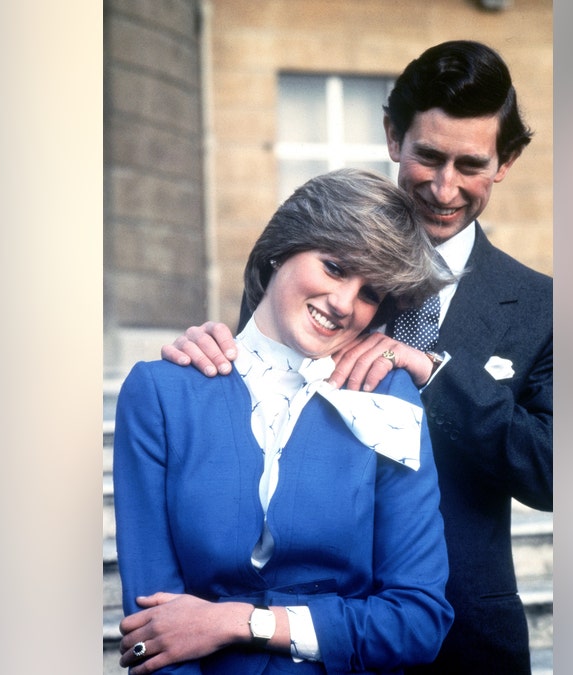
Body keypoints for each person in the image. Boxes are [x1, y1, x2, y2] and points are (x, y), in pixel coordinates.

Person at [161, 41, 552, 673]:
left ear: (505, 163)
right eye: (427, 155)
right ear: (394, 137)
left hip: (469, 641)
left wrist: (434, 373)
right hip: (312, 638)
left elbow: (554, 471)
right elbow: (256, 407)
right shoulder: (315, 265)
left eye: (470, 164)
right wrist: (208, 355)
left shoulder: (543, 307)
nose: (444, 187)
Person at [114, 168, 455, 675]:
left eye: (370, 293)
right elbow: (151, 629)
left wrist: (238, 622)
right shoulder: (161, 393)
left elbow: (417, 620)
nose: (344, 305)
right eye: (335, 268)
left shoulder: (388, 396)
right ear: (281, 249)